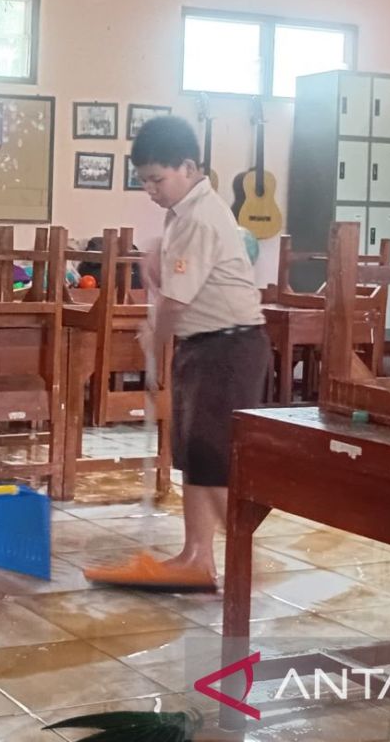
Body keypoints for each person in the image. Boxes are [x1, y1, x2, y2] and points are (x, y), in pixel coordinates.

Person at [86, 115, 269, 592]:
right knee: (191, 454)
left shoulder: (201, 216)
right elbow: (178, 272)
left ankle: (244, 554)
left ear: (188, 167)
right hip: (204, 344)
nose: (150, 189)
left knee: (213, 457)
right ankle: (195, 557)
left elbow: (177, 301)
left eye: (156, 179)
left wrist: (152, 337)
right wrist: (154, 254)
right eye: (143, 180)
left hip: (229, 345)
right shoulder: (184, 214)